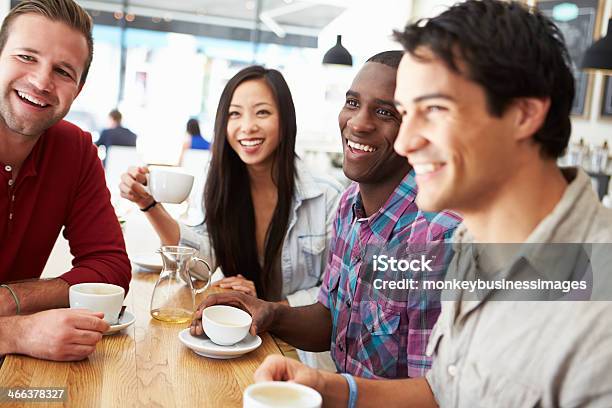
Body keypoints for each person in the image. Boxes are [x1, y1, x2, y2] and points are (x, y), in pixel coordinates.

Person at [251, 1, 612, 406]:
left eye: (434, 109)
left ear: (523, 115)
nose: (405, 142)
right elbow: (445, 390)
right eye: (408, 112)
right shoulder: (473, 246)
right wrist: (327, 388)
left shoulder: (598, 301)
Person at [192, 52, 460, 379]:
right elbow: (334, 319)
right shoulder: (349, 205)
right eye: (352, 103)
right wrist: (268, 312)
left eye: (384, 112)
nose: (358, 123)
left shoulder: (437, 234)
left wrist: (324, 388)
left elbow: (435, 394)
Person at [120, 65, 341, 306]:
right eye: (235, 114)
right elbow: (200, 266)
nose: (247, 126)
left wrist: (267, 309)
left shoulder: (327, 197)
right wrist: (149, 204)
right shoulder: (220, 186)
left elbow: (334, 295)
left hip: (297, 341)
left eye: (263, 112)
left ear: (286, 120)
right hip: (235, 331)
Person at [0, 0, 130, 362]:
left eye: (63, 71)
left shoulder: (75, 149)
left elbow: (111, 269)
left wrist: (13, 299)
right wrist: (16, 331)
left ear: (78, 89)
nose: (41, 82)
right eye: (26, 57)